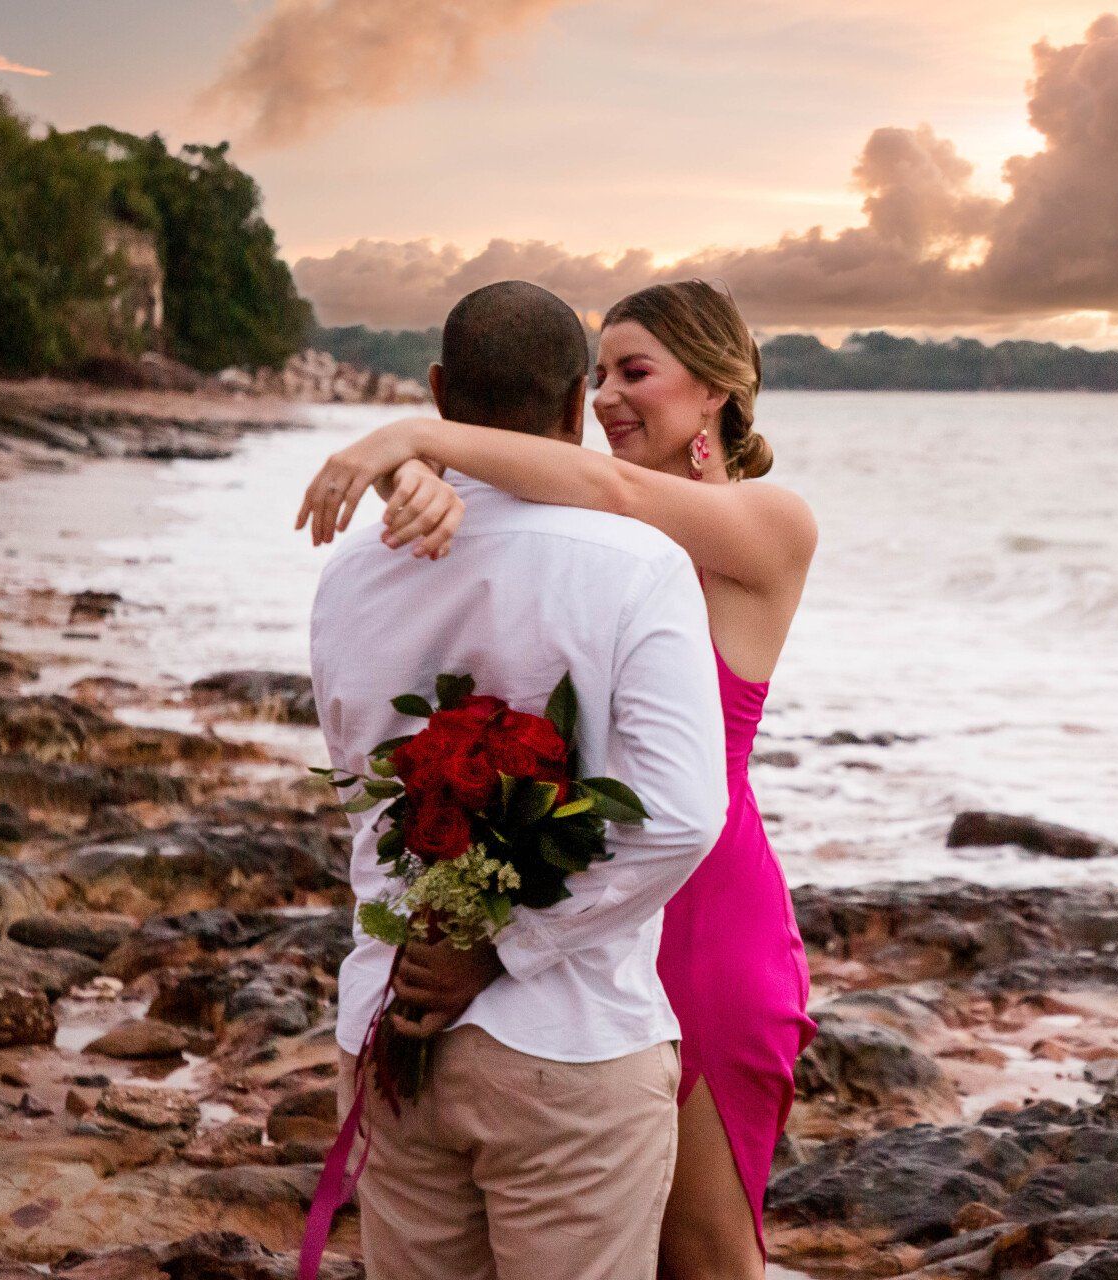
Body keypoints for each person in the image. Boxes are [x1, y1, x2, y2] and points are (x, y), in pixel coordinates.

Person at [298, 278, 818, 1278]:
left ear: (715, 390)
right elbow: (537, 532)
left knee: (704, 1252)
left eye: (639, 372)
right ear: (573, 399)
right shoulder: (588, 524)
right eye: (603, 375)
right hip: (592, 923)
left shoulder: (766, 519)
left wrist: (416, 436)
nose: (615, 399)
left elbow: (609, 494)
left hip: (701, 913)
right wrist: (438, 478)